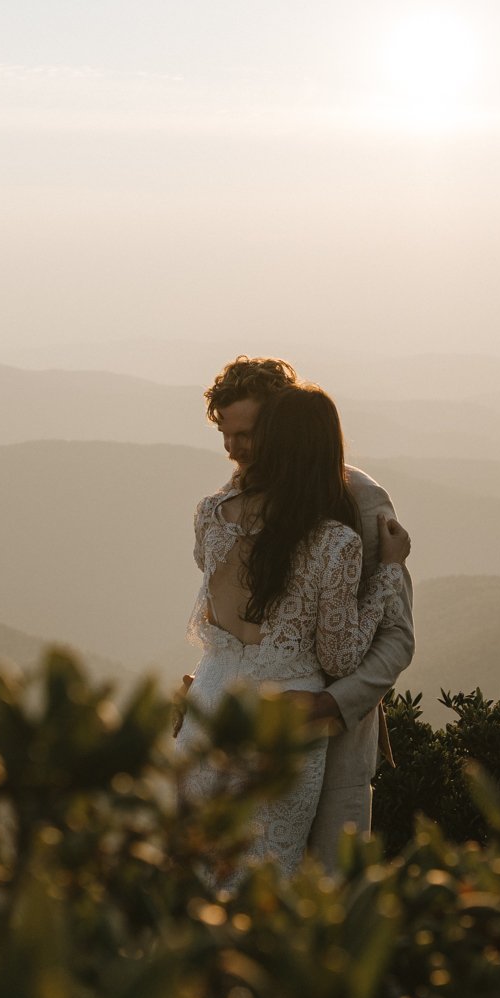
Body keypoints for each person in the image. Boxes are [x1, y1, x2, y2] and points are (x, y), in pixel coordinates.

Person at [175, 362, 415, 873]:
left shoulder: (361, 500)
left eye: (246, 435)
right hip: (248, 719)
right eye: (226, 436)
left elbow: (397, 637)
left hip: (326, 731)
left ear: (281, 425)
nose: (234, 450)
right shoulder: (232, 502)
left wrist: (328, 702)